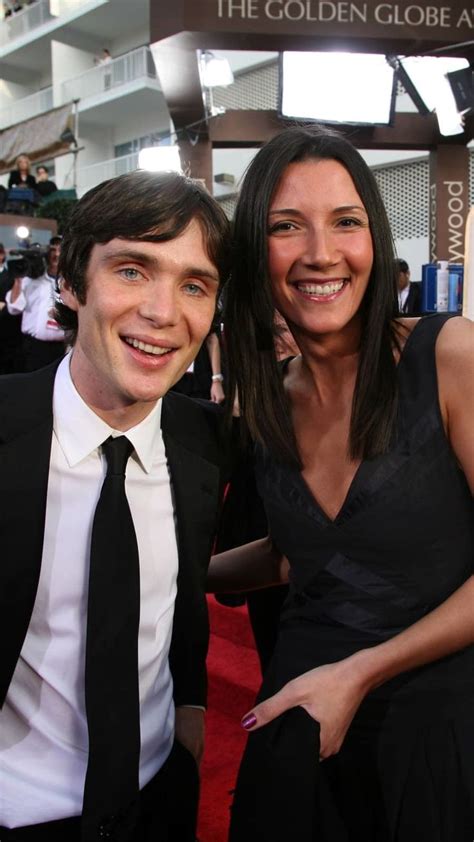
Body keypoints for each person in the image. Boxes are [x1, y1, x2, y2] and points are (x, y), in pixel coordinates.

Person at [208, 126, 474, 842]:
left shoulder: (449, 356)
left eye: (346, 222)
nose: (321, 253)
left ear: (376, 239)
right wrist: (179, 569)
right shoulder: (268, 399)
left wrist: (360, 672)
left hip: (437, 727)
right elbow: (299, 554)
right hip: (296, 720)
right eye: (286, 226)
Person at [0, 169, 231, 842]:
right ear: (72, 281)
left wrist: (189, 708)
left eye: (194, 284)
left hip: (158, 801)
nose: (164, 311)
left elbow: (180, 596)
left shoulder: (202, 444)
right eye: (133, 271)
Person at [5, 235, 66, 371]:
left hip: (61, 349)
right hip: (32, 348)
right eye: (52, 250)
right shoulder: (31, 279)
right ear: (47, 254)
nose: (56, 254)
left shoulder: (71, 284)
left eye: (60, 250)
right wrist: (18, 280)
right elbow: (14, 308)